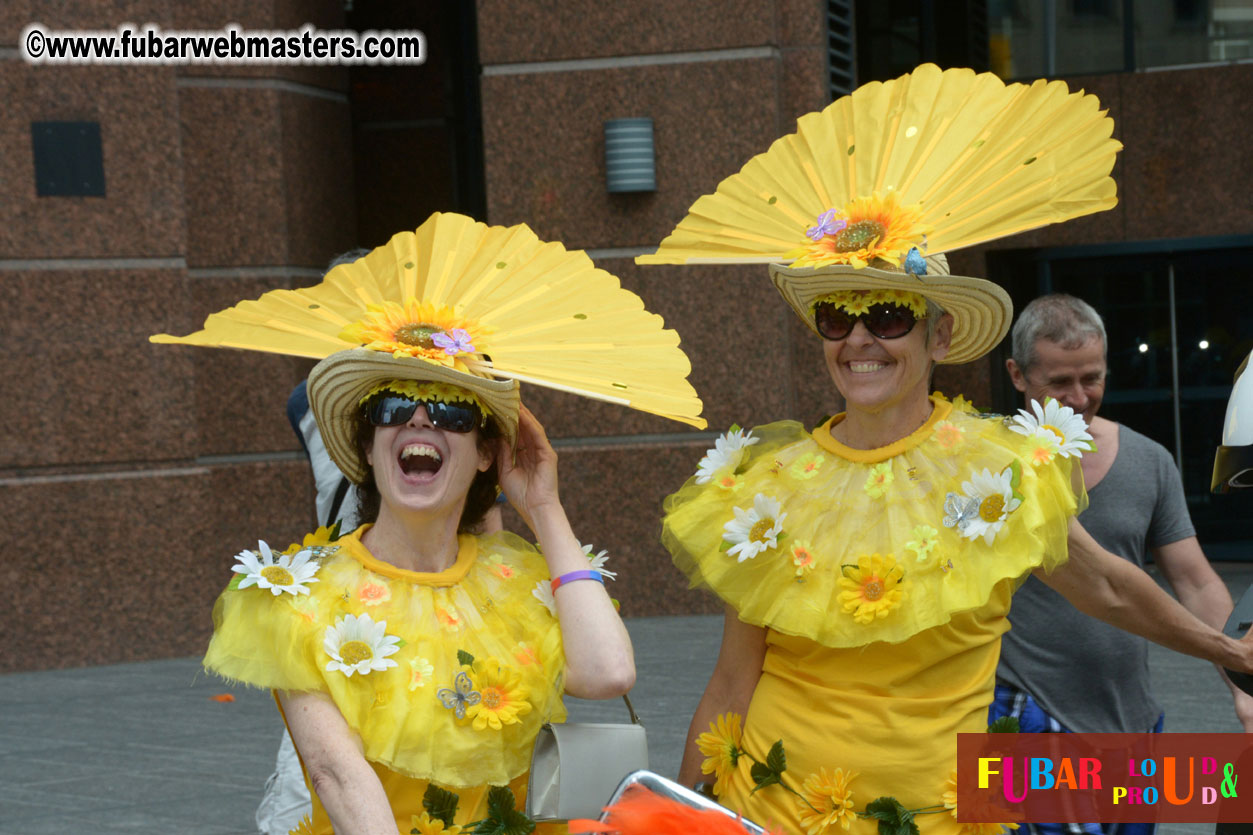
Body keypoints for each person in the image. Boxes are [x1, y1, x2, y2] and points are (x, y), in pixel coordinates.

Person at [637, 64, 1253, 835]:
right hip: (777, 812)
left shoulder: (1000, 469)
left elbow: (1112, 589)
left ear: (940, 333)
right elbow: (731, 682)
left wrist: (1234, 656)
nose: (859, 338)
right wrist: (678, 815)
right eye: (836, 316)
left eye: (889, 313)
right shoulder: (766, 483)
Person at [152, 211, 706, 835]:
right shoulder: (295, 598)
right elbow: (335, 772)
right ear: (367, 446)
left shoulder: (518, 580)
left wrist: (544, 507)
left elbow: (607, 675)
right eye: (394, 405)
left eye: (451, 409)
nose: (420, 420)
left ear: (486, 454)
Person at [989, 294, 1253, 835]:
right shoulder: (986, 467)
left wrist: (1241, 683)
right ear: (1017, 374)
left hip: (1131, 718)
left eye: (1093, 377)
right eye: (1060, 382)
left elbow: (1196, 580)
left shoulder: (1148, 459)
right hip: (1027, 713)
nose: (1080, 397)